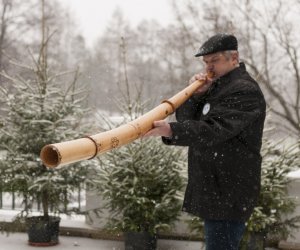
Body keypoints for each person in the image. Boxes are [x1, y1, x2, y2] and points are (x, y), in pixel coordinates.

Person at [145, 33, 266, 250]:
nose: (209, 67)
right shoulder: (216, 87)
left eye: (215, 61)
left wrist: (171, 130)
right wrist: (196, 96)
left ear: (234, 58)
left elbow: (214, 130)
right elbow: (187, 120)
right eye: (206, 62)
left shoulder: (244, 89)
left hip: (230, 189)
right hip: (215, 187)